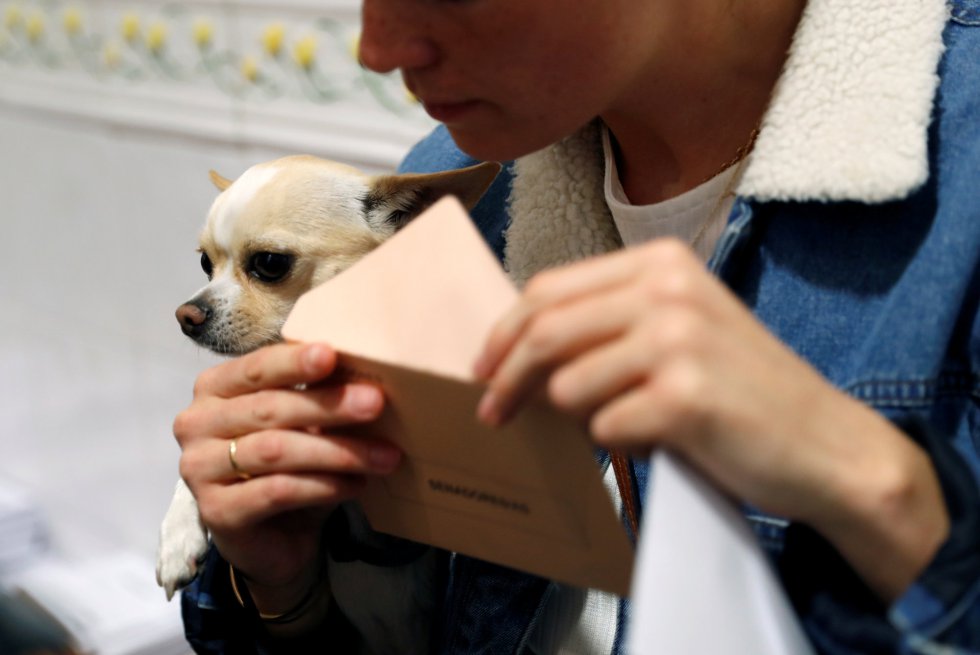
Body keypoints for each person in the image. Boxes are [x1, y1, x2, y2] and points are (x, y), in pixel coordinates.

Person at [174, 0, 980, 653]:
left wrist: (889, 498)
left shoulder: (964, 166)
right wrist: (284, 589)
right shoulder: (454, 196)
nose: (376, 48)